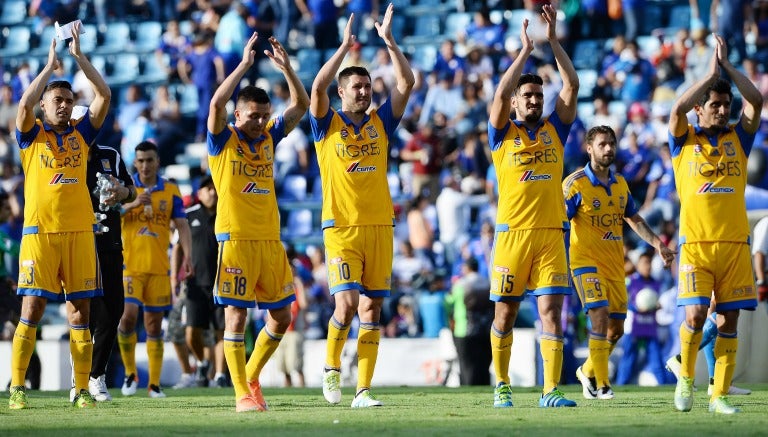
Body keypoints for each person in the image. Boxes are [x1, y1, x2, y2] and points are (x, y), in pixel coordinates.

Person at [310, 4, 414, 408]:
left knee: (372, 310)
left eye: (368, 87)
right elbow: (315, 90)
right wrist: (343, 48)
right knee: (347, 304)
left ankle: (363, 390)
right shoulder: (326, 125)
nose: (365, 92)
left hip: (379, 228)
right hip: (341, 228)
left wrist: (389, 42)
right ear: (342, 91)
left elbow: (406, 83)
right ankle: (332, 368)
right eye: (356, 87)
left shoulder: (381, 123)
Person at [9, 22, 112, 409]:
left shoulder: (81, 135)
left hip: (78, 233)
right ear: (45, 105)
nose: (64, 104)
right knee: (31, 309)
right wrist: (50, 67)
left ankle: (82, 390)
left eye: (68, 100)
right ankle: (17, 387)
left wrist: (78, 59)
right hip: (39, 234)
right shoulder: (31, 134)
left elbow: (103, 94)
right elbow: (22, 106)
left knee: (80, 312)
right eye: (57, 100)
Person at [207, 31, 309, 413]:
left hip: (269, 240)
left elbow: (300, 104)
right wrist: (245, 66)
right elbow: (217, 102)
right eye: (253, 116)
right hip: (234, 238)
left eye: (264, 116)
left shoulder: (268, 137)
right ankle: (240, 395)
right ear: (238, 115)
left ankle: (250, 377)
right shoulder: (222, 141)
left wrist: (286, 69)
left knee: (281, 316)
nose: (260, 122)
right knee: (235, 316)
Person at [486, 5, 579, 408]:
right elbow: (500, 93)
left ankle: (550, 390)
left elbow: (571, 86)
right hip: (512, 237)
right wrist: (524, 52)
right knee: (504, 316)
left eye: (539, 96)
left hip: (551, 236)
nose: (535, 101)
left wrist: (553, 42)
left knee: (552, 315)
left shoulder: (555, 130)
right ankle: (502, 384)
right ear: (515, 104)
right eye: (528, 96)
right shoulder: (501, 133)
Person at [668, 35, 762, 415]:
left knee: (729, 319)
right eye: (715, 105)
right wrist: (709, 73)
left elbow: (755, 102)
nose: (722, 111)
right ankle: (686, 379)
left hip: (735, 245)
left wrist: (729, 70)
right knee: (693, 316)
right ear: (700, 111)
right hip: (696, 245)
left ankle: (719, 394)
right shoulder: (683, 140)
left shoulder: (739, 140)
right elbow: (677, 107)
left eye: (725, 105)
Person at [564, 125, 675, 399]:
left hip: (615, 265)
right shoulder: (574, 184)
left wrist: (658, 244)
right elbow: (558, 223)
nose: (608, 149)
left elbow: (634, 219)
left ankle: (587, 371)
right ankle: (602, 384)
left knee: (616, 330)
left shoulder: (621, 184)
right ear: (589, 148)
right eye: (602, 144)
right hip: (585, 262)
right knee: (599, 317)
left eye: (612, 144)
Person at [117, 141, 193, 399]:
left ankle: (154, 384)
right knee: (127, 317)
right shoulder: (126, 188)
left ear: (157, 161)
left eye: (150, 160)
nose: (146, 165)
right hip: (130, 266)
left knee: (153, 325)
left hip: (159, 268)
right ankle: (130, 373)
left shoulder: (171, 190)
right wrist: (133, 202)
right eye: (141, 161)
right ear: (135, 163)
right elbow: (109, 215)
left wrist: (187, 256)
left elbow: (181, 224)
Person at [82, 134, 137, 402]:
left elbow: (132, 190)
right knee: (83, 311)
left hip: (110, 239)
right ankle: (83, 378)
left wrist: (123, 192)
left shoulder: (111, 155)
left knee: (114, 309)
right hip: (78, 241)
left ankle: (96, 375)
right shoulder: (66, 156)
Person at [172, 174, 227, 388]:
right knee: (191, 331)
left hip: (223, 282)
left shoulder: (227, 214)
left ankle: (220, 375)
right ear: (199, 193)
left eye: (214, 188)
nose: (212, 192)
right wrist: (174, 278)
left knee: (222, 330)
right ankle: (203, 363)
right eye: (207, 188)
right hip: (195, 283)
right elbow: (177, 248)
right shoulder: (188, 215)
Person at [445, 257, 493, 386]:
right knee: (483, 366)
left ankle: (468, 390)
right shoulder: (487, 283)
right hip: (485, 330)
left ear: (467, 268)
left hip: (464, 330)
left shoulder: (461, 284)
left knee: (467, 366)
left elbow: (449, 302)